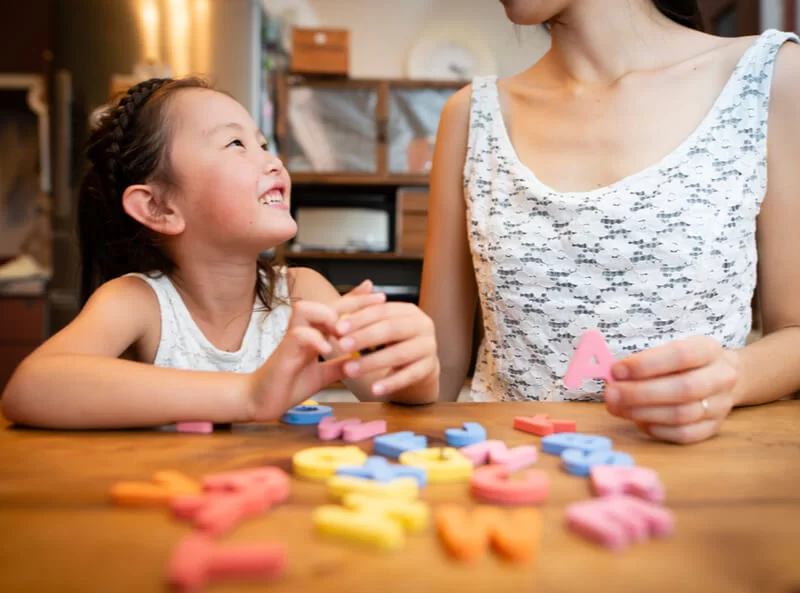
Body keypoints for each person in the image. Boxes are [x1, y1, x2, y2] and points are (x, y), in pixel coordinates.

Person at [420, 0, 800, 443]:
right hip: (512, 482)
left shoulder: (770, 78)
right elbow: (436, 374)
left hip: (690, 484)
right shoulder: (470, 115)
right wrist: (359, 350)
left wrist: (731, 377)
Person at [1, 77, 439, 429]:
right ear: (159, 206)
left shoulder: (302, 292)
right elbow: (30, 389)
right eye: (235, 144)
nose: (273, 162)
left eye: (264, 144)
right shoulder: (138, 302)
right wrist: (248, 395)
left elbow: (391, 391)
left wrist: (418, 368)